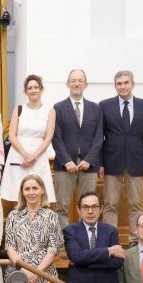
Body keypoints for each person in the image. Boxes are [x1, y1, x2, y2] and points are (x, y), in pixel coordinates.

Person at [99, 70, 143, 246]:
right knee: (109, 204)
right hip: (110, 162)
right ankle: (110, 240)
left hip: (136, 162)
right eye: (119, 83)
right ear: (115, 86)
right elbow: (99, 137)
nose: (122, 86)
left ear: (132, 84)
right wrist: (100, 163)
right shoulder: (104, 105)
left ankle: (135, 240)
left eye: (125, 83)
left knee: (136, 204)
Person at [4, 175, 63, 283]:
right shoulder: (13, 216)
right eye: (27, 189)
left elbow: (53, 248)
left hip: (44, 276)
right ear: (22, 192)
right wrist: (24, 270)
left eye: (35, 188)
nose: (31, 192)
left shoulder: (51, 216)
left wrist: (36, 273)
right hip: (18, 274)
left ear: (42, 190)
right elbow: (10, 246)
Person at [63, 191, 126, 283]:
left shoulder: (111, 231)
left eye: (94, 207)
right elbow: (76, 256)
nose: (90, 211)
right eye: (85, 207)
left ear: (101, 208)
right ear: (78, 210)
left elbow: (117, 261)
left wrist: (85, 261)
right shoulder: (70, 231)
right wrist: (108, 251)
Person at [52, 69, 104, 230]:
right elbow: (56, 137)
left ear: (86, 85)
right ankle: (63, 243)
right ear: (68, 84)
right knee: (62, 207)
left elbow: (99, 137)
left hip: (89, 166)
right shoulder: (58, 108)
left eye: (80, 80)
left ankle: (85, 241)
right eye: (73, 80)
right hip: (64, 166)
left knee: (89, 207)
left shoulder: (96, 108)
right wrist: (67, 161)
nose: (76, 83)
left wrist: (89, 159)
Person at [2, 74, 56, 212]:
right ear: (25, 91)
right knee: (17, 194)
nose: (33, 90)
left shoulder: (50, 111)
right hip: (18, 155)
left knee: (37, 194)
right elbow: (12, 136)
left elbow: (48, 137)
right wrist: (25, 155)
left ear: (41, 89)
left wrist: (33, 156)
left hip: (39, 156)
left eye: (36, 87)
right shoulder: (19, 109)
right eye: (29, 88)